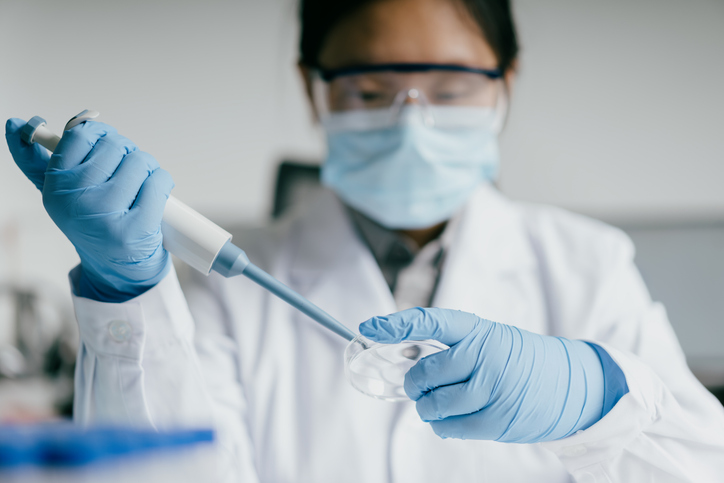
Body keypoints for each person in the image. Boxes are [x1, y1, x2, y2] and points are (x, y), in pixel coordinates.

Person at [5, 0, 724, 481]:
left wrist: (598, 397)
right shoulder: (220, 287)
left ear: (506, 81)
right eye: (371, 92)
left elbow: (702, 461)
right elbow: (155, 475)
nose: (412, 121)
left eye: (449, 89)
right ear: (313, 88)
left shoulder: (587, 265)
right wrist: (128, 294)